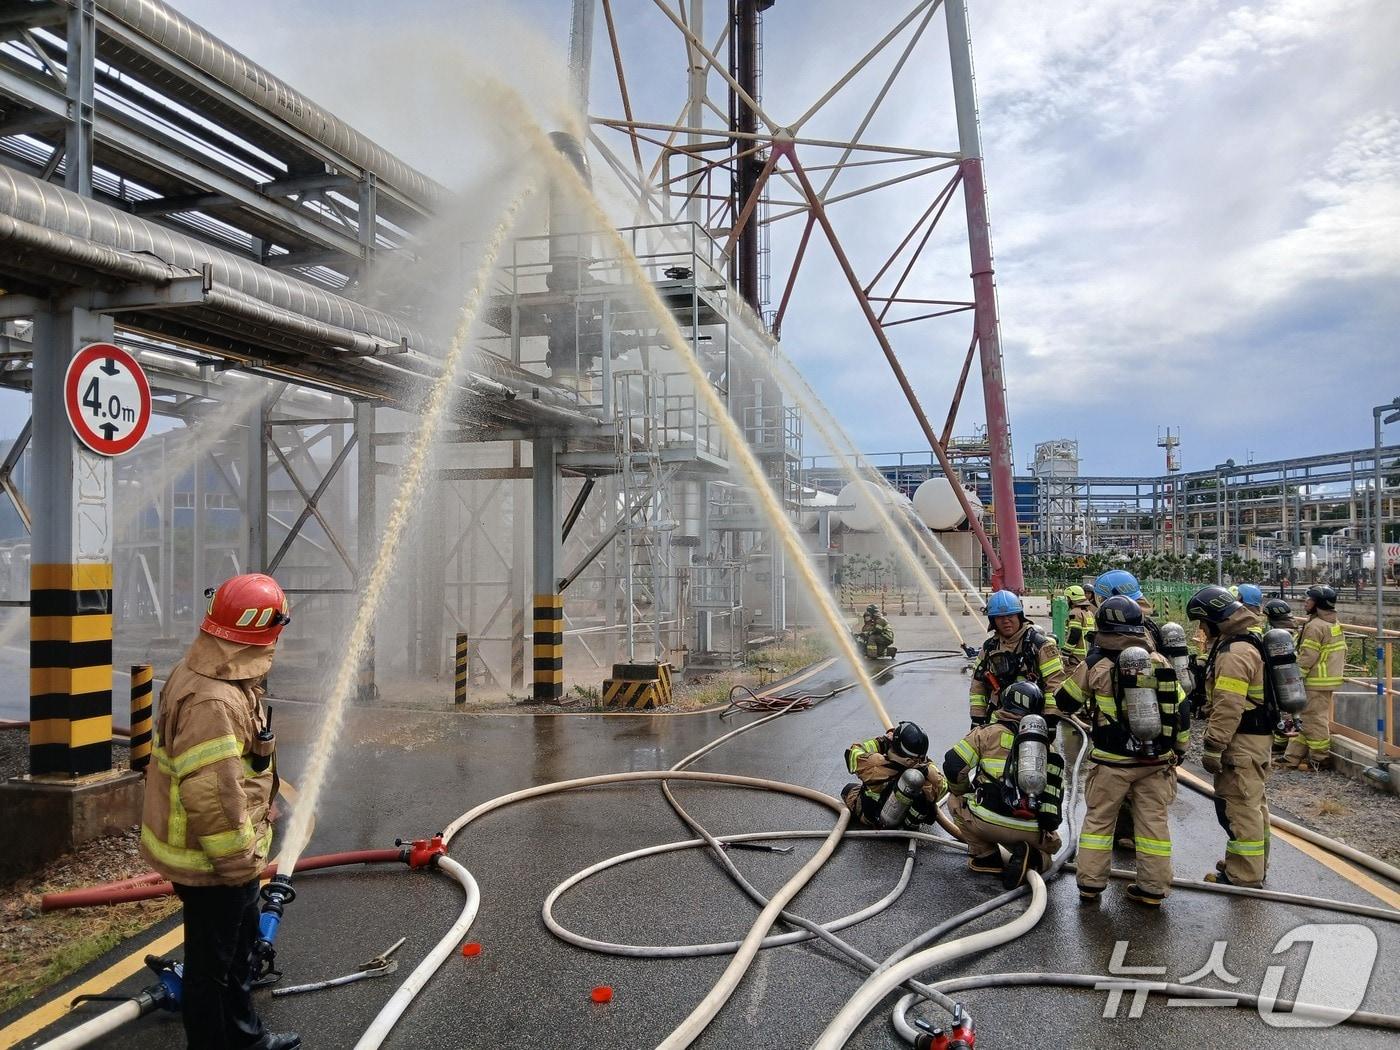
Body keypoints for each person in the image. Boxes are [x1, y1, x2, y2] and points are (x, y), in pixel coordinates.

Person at [140, 574, 300, 1050]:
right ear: (260, 630)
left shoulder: (225, 676)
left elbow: (238, 766)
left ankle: (246, 1039)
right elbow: (211, 794)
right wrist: (238, 864)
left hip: (227, 852)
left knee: (235, 956)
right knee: (212, 969)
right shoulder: (213, 698)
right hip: (215, 859)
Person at [1055, 596, 1188, 907]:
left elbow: (1065, 702)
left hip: (1111, 762)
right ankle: (1153, 889)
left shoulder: (1094, 665)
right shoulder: (1158, 662)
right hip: (1155, 761)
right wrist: (1179, 748)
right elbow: (1181, 710)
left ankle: (1090, 884)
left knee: (1099, 822)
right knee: (1153, 824)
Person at [943, 682, 1064, 888]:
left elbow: (953, 766)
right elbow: (1055, 798)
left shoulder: (986, 733)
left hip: (989, 822)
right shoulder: (1047, 749)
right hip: (1034, 830)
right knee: (1053, 849)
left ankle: (986, 857)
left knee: (954, 800)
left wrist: (963, 791)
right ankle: (1035, 858)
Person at [1189, 584, 1271, 888]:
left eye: (1202, 622)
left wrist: (1213, 746)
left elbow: (1228, 706)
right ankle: (1250, 864)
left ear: (1214, 619)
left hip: (1241, 741)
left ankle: (1245, 875)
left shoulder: (1235, 653)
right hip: (1255, 739)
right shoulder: (1245, 640)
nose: (1200, 629)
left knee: (1239, 806)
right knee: (1254, 804)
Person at [968, 590, 1066, 726]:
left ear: (1019, 616)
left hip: (1034, 719)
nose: (1006, 621)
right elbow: (978, 685)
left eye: (1010, 615)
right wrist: (977, 717)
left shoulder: (1039, 645)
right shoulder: (989, 648)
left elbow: (1055, 683)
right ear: (993, 620)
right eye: (1000, 617)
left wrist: (1050, 719)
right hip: (999, 717)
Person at [1283, 584, 1346, 771]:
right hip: (1326, 679)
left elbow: (1307, 656)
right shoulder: (1332, 623)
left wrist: (1296, 679)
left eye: (1309, 599)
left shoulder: (1315, 626)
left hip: (1315, 680)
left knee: (1314, 719)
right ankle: (1292, 757)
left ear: (1317, 603)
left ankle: (1320, 758)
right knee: (1304, 718)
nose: (1305, 602)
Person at [842, 721, 947, 829]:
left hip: (874, 819)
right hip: (907, 825)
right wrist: (924, 762)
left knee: (848, 789)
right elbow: (943, 786)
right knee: (926, 798)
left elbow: (853, 754)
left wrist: (882, 742)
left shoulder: (876, 764)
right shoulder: (927, 774)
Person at [1061, 585, 1094, 673]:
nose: (1067, 601)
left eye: (1067, 598)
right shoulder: (1089, 613)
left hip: (1075, 658)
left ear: (1071, 599)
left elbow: (1074, 633)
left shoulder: (1075, 613)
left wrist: (1065, 652)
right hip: (1088, 655)